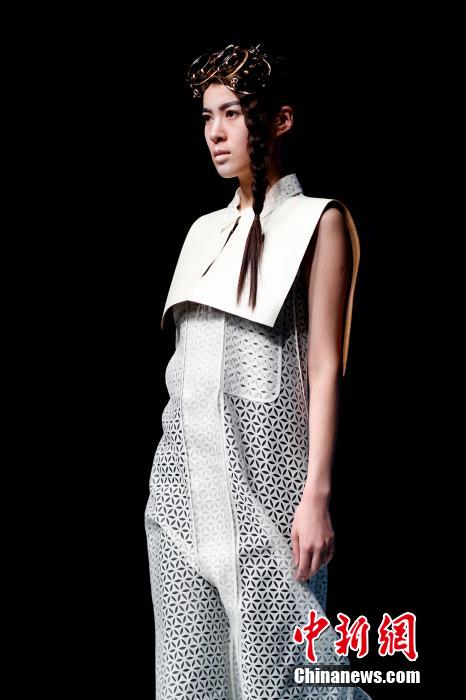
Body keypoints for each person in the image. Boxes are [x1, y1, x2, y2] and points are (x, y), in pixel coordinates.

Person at [144, 42, 372, 700]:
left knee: (286, 683)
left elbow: (325, 365)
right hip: (179, 501)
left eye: (233, 113)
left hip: (268, 498)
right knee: (188, 685)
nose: (215, 132)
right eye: (207, 116)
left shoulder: (317, 222)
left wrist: (316, 496)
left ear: (279, 119)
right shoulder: (202, 233)